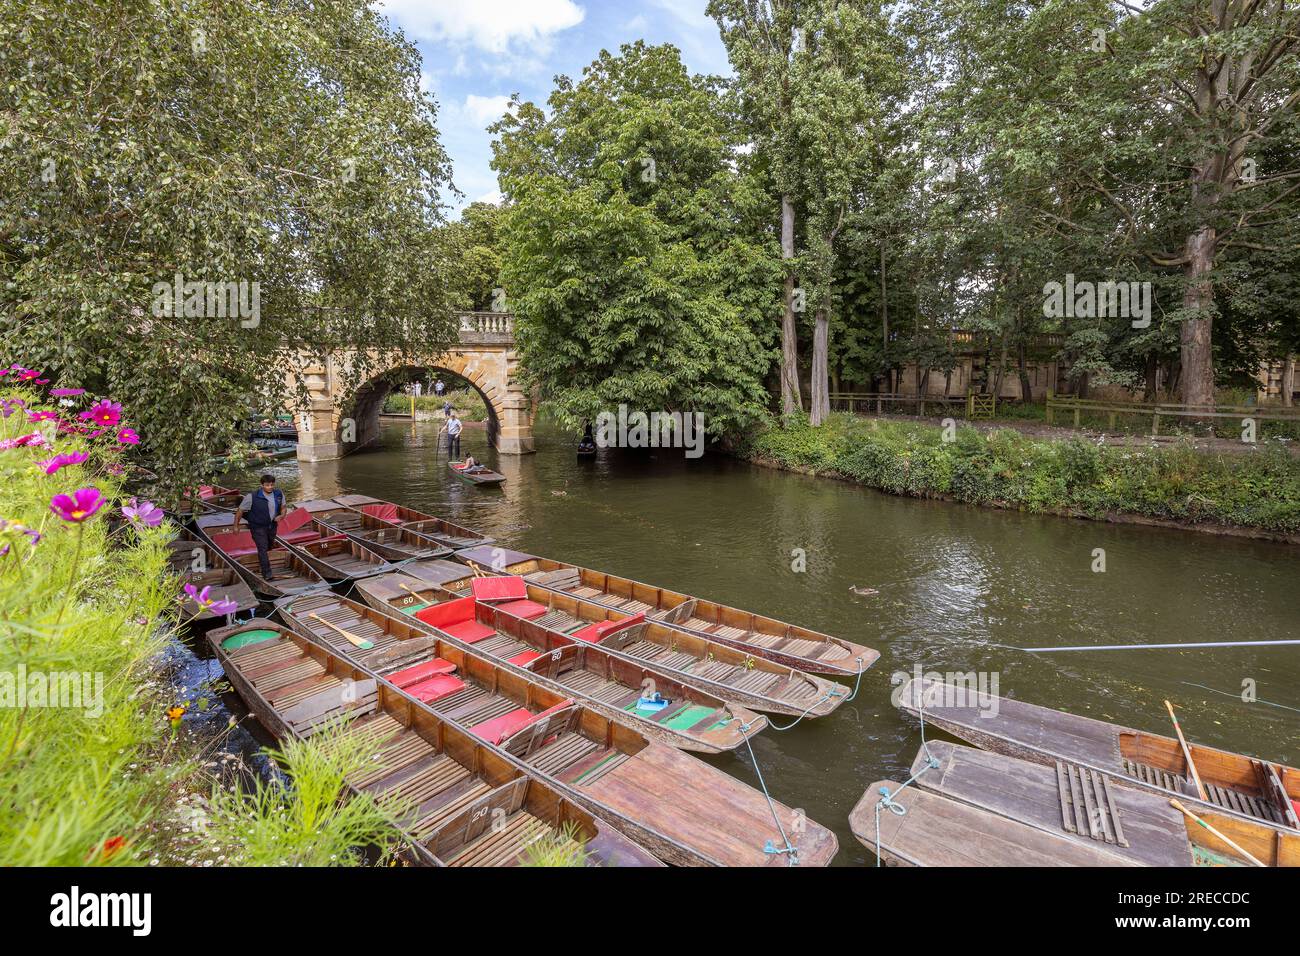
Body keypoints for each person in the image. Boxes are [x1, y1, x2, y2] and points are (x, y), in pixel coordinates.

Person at [233, 474, 285, 580]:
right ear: (262, 485)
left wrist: (282, 515)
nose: (270, 487)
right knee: (262, 548)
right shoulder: (251, 496)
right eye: (267, 485)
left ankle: (262, 565)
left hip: (272, 525)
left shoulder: (279, 494)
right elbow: (240, 511)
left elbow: (283, 507)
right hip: (257, 526)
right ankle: (267, 574)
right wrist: (236, 526)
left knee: (269, 546)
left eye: (272, 485)